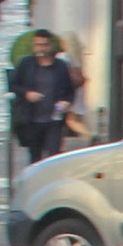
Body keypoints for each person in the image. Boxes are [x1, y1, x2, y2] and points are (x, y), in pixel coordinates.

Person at [9, 29, 81, 164]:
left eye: (44, 44)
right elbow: (13, 85)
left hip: (54, 120)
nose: (41, 48)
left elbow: (70, 90)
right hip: (32, 119)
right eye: (38, 45)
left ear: (50, 46)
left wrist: (67, 102)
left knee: (53, 156)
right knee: (34, 157)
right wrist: (27, 93)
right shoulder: (26, 64)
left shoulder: (60, 66)